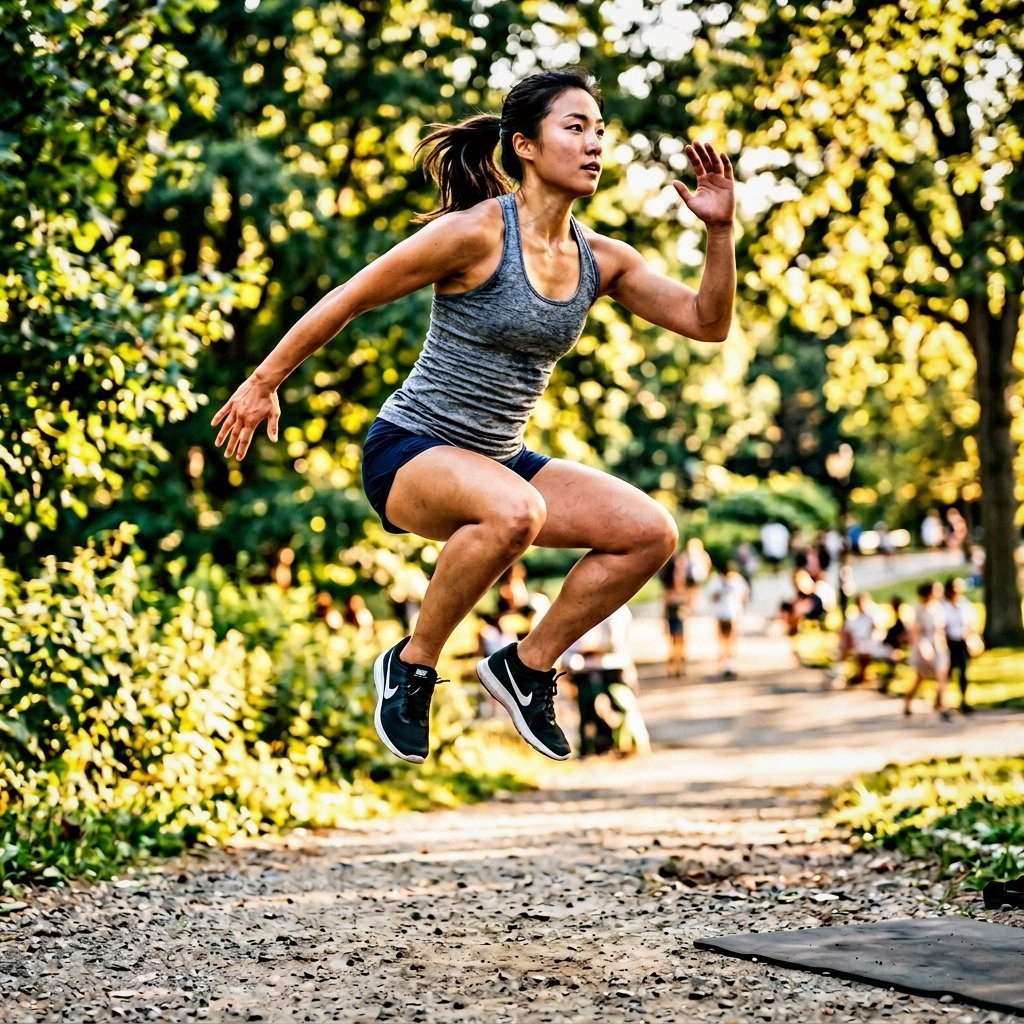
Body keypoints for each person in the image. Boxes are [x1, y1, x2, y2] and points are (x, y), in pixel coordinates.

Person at [211, 68, 736, 764]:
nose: (594, 146)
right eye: (574, 128)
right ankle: (413, 665)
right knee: (517, 512)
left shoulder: (602, 260)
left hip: (500, 462)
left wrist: (721, 231)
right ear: (524, 145)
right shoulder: (475, 234)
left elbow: (707, 323)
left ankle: (527, 667)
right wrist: (262, 381)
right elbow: (350, 297)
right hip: (409, 452)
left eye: (599, 132)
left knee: (648, 533)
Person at [903, 581, 950, 719]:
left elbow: (941, 628)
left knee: (942, 676)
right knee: (921, 677)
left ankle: (941, 704)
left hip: (938, 644)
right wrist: (922, 647)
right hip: (923, 645)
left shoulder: (939, 607)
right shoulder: (919, 609)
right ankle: (908, 700)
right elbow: (916, 632)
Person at [942, 577, 980, 713]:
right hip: (948, 643)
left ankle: (963, 700)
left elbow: (971, 622)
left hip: (962, 641)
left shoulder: (964, 604)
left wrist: (973, 637)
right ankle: (942, 702)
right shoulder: (942, 606)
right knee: (947, 673)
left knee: (963, 671)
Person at [708, 563, 749, 679]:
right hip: (722, 613)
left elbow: (744, 595)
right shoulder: (718, 581)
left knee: (731, 639)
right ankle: (725, 663)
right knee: (723, 639)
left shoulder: (737, 581)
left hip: (733, 613)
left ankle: (730, 665)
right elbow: (713, 597)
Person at [658, 549, 687, 677]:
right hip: (678, 605)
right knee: (679, 638)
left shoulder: (666, 591)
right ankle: (678, 664)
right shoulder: (679, 590)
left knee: (672, 638)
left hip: (670, 605)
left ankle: (673, 665)